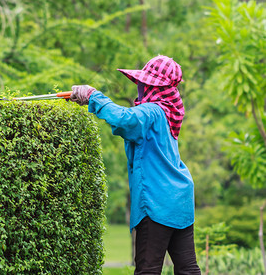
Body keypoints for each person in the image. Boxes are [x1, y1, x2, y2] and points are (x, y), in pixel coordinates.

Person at [70, 55, 201, 275]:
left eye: (143, 83)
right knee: (188, 269)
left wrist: (93, 96)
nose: (139, 87)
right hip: (180, 199)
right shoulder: (167, 114)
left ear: (152, 86)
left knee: (147, 270)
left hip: (157, 202)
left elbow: (124, 119)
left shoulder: (152, 112)